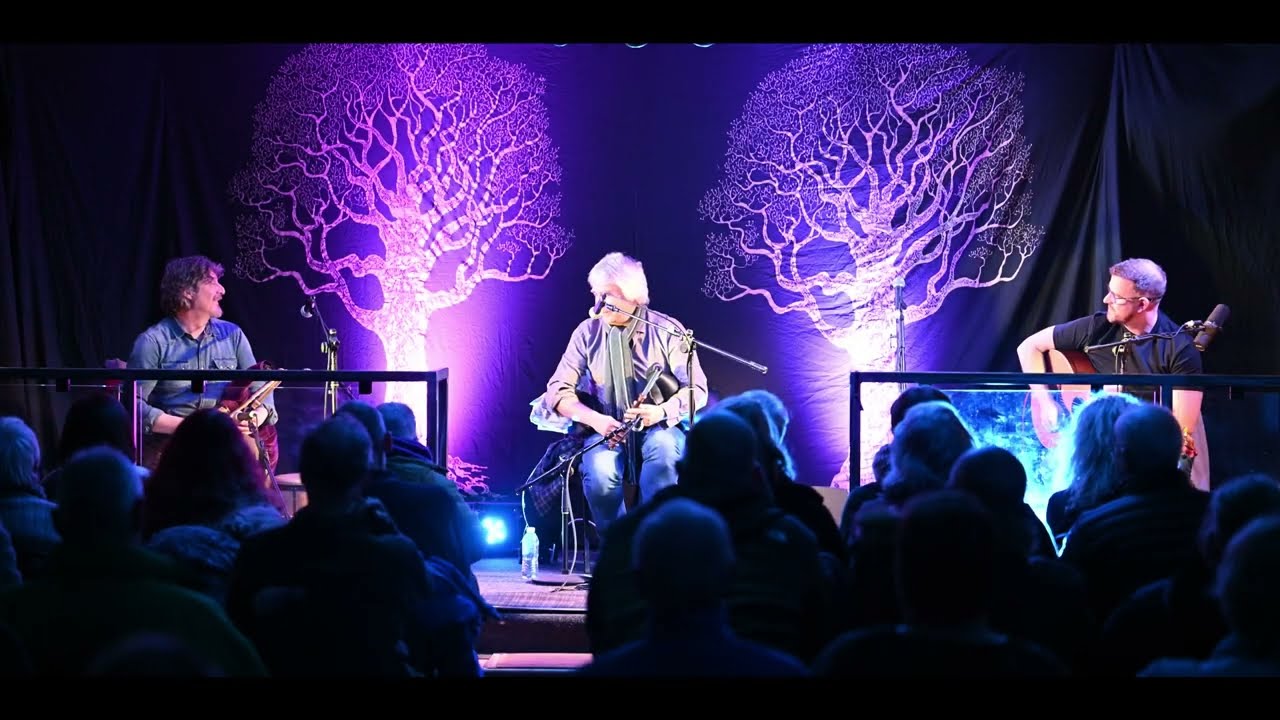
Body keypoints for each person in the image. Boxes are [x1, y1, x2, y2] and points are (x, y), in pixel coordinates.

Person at [544, 252, 708, 535]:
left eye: (606, 294)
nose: (598, 303)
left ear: (632, 295)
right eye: (596, 293)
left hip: (659, 425)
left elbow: (698, 390)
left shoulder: (668, 330)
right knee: (600, 474)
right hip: (606, 428)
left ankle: (654, 547)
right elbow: (557, 390)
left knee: (665, 454)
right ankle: (619, 550)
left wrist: (660, 411)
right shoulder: (586, 333)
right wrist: (595, 420)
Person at [1016, 257, 1208, 490]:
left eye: (1116, 297)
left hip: (1149, 452)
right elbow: (1029, 347)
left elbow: (1181, 431)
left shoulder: (1179, 348)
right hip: (1103, 450)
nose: (1106, 299)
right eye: (1109, 291)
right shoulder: (1096, 329)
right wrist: (1045, 401)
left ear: (1143, 304)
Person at [127, 255, 277, 469]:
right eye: (212, 281)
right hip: (174, 443)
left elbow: (263, 393)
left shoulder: (233, 335)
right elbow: (133, 406)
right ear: (187, 292)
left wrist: (253, 417)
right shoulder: (152, 342)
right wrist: (191, 427)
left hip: (224, 441)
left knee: (249, 456)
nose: (222, 290)